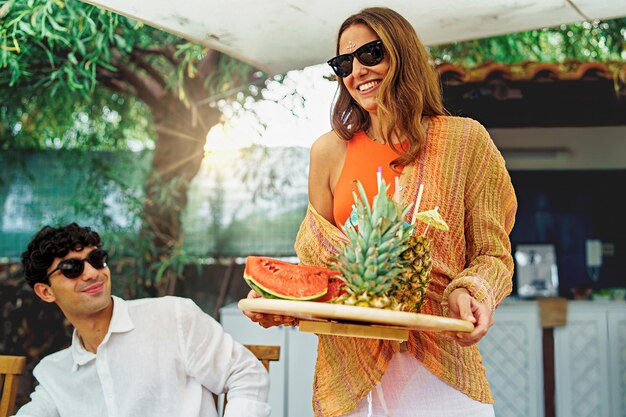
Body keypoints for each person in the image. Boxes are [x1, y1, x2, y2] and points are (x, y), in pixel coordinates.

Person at [245, 6, 517, 417]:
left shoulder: (464, 142)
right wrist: (278, 299)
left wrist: (472, 291)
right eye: (343, 63)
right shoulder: (327, 151)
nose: (356, 71)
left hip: (438, 370)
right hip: (346, 377)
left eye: (371, 54)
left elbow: (494, 254)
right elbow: (320, 274)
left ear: (401, 54)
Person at [14, 223, 271, 417]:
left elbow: (245, 373)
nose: (92, 274)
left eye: (96, 259)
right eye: (72, 268)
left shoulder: (172, 317)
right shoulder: (55, 374)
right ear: (46, 291)